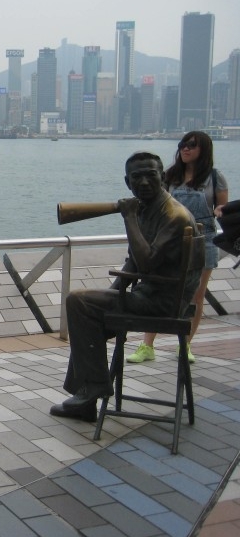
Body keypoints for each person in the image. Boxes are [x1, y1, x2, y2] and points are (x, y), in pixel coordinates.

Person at [50, 151, 201, 422]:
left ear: (163, 177)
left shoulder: (174, 215)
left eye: (150, 175)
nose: (143, 182)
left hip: (163, 304)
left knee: (77, 302)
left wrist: (128, 218)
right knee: (86, 312)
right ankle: (85, 396)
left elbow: (146, 263)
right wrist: (111, 293)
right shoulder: (149, 210)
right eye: (136, 177)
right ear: (127, 182)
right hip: (148, 294)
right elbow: (133, 263)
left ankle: (92, 389)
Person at [127, 132, 229, 365]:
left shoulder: (214, 177)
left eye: (192, 146)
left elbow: (223, 204)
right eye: (183, 145)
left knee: (196, 295)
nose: (186, 149)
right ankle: (147, 345)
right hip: (167, 240)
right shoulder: (170, 176)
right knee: (155, 284)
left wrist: (220, 210)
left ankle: (186, 343)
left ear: (204, 150)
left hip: (203, 239)